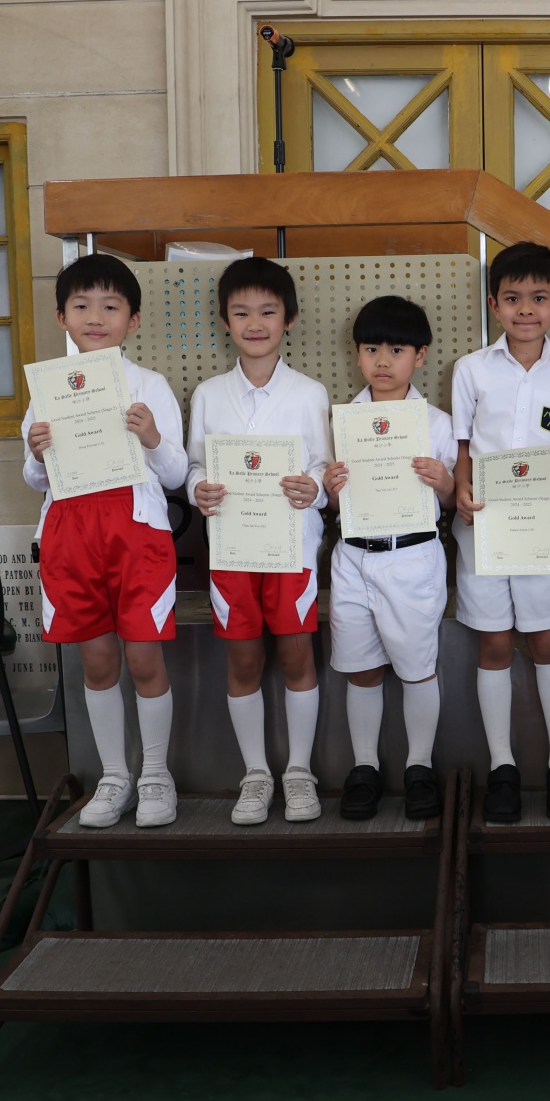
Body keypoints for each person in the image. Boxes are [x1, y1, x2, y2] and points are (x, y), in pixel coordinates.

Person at [21, 254, 190, 828]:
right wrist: (37, 452)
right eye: (82, 305)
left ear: (132, 320)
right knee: (97, 662)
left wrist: (152, 436)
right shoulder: (48, 388)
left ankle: (156, 776)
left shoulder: (150, 385)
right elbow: (34, 479)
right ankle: (114, 777)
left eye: (111, 306)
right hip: (70, 533)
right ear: (62, 317)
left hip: (136, 533)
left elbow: (175, 474)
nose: (96, 317)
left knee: (143, 657)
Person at [186, 257, 332, 826]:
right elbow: (194, 465)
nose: (255, 323)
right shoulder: (208, 394)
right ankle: (255, 774)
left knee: (297, 653)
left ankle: (299, 772)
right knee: (243, 657)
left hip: (292, 548)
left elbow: (323, 466)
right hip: (231, 548)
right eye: (242, 312)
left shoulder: (310, 393)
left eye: (267, 312)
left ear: (288, 319)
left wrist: (313, 487)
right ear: (225, 320)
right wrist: (199, 488)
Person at [450, 243, 550, 822]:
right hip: (484, 528)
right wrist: (461, 491)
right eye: (512, 299)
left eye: (538, 298)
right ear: (494, 304)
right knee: (495, 645)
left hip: (545, 529)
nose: (525, 310)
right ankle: (502, 766)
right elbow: (462, 444)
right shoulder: (472, 369)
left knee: (547, 642)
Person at [326, 296, 459, 822]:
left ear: (419, 356)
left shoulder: (437, 423)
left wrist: (444, 482)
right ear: (357, 354)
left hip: (412, 555)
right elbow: (331, 502)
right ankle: (364, 768)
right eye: (371, 349)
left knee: (416, 669)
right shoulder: (343, 421)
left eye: (397, 350)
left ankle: (419, 767)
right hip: (354, 554)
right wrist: (331, 488)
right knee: (361, 669)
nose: (383, 360)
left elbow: (453, 501)